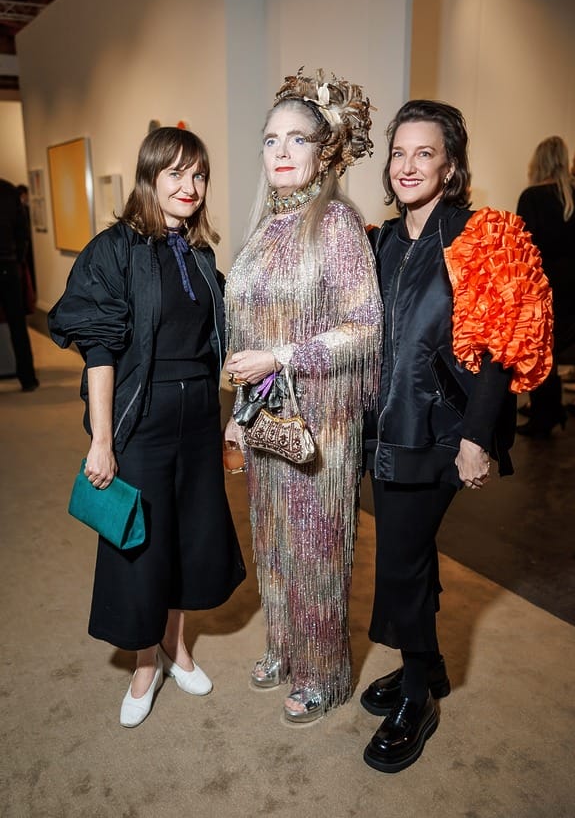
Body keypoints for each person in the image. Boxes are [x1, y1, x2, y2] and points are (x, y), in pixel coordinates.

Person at [361, 99, 553, 773]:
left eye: (423, 152)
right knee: (406, 554)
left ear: (449, 163)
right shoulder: (381, 239)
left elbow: (504, 344)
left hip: (442, 430)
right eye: (398, 152)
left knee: (400, 560)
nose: (408, 165)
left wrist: (476, 438)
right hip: (386, 428)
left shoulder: (480, 233)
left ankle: (418, 697)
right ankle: (431, 663)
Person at [48, 127, 246, 728]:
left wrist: (235, 416)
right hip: (142, 421)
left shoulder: (201, 255)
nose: (189, 186)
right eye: (176, 174)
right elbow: (101, 350)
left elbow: (217, 342)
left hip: (197, 420)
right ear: (150, 178)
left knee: (186, 538)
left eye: (199, 175)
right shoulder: (115, 249)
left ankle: (176, 646)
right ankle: (143, 661)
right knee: (139, 545)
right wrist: (102, 440)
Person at [224, 69, 382, 723]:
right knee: (273, 539)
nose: (280, 151)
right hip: (266, 415)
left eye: (296, 139)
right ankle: (284, 644)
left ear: (325, 151)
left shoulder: (337, 223)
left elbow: (364, 324)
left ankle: (322, 672)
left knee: (315, 547)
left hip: (321, 423)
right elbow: (246, 332)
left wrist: (282, 356)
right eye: (269, 139)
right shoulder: (263, 228)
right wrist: (237, 416)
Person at [515, 136, 575, 437]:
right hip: (572, 287)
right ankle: (550, 410)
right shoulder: (571, 195)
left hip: (545, 285)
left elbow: (524, 248)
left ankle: (546, 414)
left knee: (541, 352)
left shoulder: (533, 197)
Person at [0, 177, 38, 391]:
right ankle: (28, 378)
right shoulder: (10, 191)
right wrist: (18, 259)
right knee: (17, 325)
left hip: (9, 262)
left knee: (16, 325)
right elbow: (23, 233)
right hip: (8, 266)